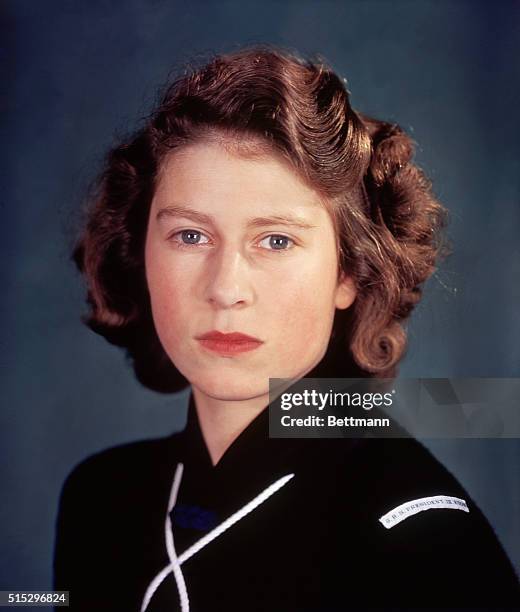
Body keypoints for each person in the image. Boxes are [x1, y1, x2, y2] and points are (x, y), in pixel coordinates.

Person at [53, 45, 520, 611]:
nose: (226, 288)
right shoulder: (101, 498)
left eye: (276, 240)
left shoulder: (417, 532)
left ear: (349, 271)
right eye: (190, 236)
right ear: (139, 253)